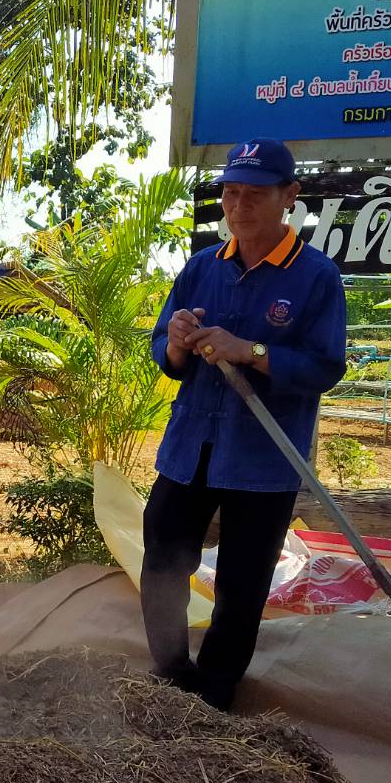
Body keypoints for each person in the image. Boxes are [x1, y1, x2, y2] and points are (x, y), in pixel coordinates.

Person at [143, 138, 346, 711]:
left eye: (255, 194)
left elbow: (326, 366)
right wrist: (178, 342)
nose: (239, 205)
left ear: (289, 197)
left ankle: (213, 696)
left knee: (242, 582)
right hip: (191, 447)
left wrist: (251, 350)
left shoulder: (315, 277)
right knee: (162, 556)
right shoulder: (202, 268)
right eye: (231, 192)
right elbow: (163, 348)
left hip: (263, 456)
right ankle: (169, 675)